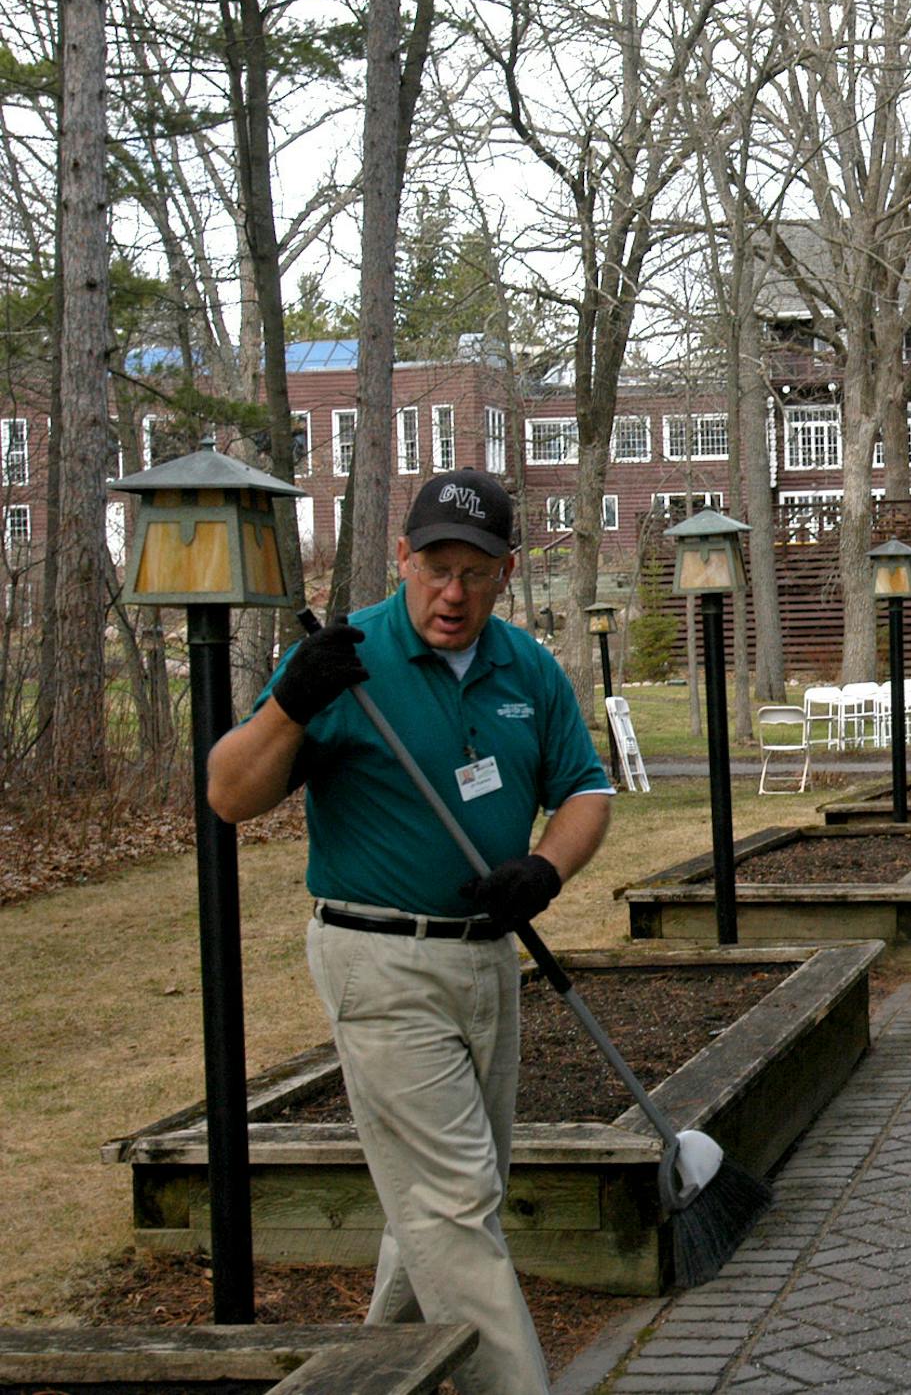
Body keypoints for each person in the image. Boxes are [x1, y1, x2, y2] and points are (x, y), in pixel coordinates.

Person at [207, 469, 612, 1394]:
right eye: (435, 567)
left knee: (442, 1200)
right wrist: (288, 705)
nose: (452, 592)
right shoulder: (348, 660)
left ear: (507, 572)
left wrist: (546, 869)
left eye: (474, 571)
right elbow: (229, 794)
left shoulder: (526, 668)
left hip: (487, 959)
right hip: (378, 959)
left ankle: (370, 1375)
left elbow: (585, 788)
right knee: (453, 1202)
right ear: (404, 559)